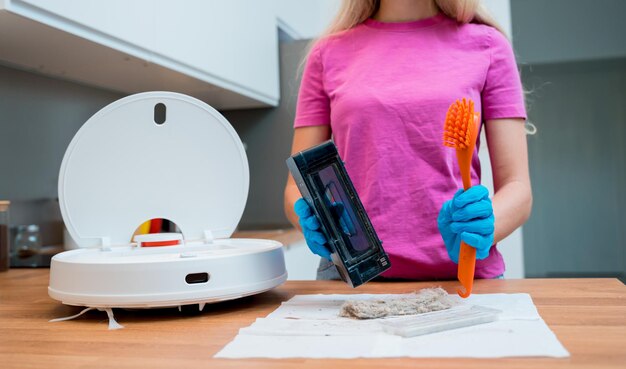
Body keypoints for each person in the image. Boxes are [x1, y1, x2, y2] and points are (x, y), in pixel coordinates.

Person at [283, 0, 532, 281]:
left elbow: (517, 187)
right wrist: (313, 217)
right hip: (354, 279)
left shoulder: (488, 45)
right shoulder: (326, 54)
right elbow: (296, 184)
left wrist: (484, 225)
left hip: (464, 277)